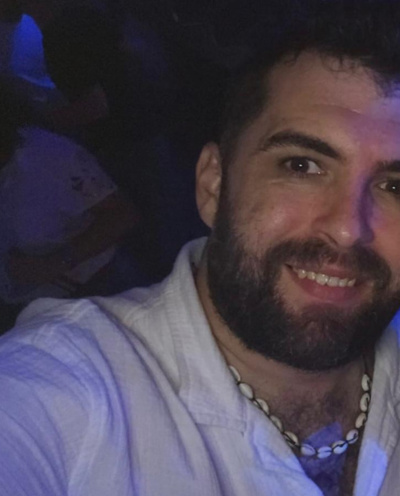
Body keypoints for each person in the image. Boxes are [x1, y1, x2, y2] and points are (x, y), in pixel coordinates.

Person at [2, 0, 400, 494]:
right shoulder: (64, 393)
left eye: (394, 187)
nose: (347, 230)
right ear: (214, 185)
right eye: (301, 166)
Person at [0, 83, 138, 330]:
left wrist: (56, 263)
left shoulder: (50, 156)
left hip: (88, 295)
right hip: (19, 307)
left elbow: (122, 214)